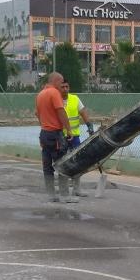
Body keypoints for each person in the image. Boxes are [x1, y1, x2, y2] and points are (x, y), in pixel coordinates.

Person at [35, 71, 75, 203]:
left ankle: (51, 194)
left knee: (47, 166)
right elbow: (61, 111)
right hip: (55, 134)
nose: (61, 86)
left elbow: (37, 113)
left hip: (44, 134)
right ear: (56, 81)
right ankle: (64, 195)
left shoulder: (40, 94)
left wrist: (44, 125)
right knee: (62, 164)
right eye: (61, 82)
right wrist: (68, 130)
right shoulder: (54, 93)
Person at [60, 80, 94, 197]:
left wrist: (89, 125)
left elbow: (83, 112)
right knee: (63, 163)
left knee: (77, 162)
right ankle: (64, 190)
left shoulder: (75, 99)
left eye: (67, 86)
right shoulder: (56, 100)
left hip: (74, 137)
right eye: (63, 87)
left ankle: (76, 189)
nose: (65, 89)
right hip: (61, 137)